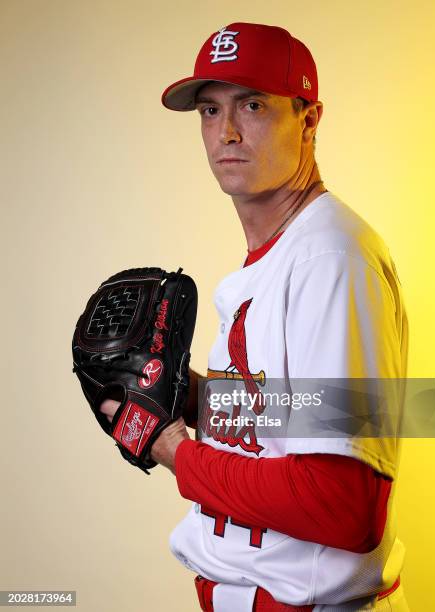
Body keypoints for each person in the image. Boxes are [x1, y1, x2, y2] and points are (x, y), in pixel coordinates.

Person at [101, 22, 410, 611]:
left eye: (254, 105)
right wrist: (182, 396)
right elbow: (290, 417)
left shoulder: (331, 259)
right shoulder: (285, 254)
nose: (229, 132)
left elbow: (342, 506)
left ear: (310, 120)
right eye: (210, 111)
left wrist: (175, 451)